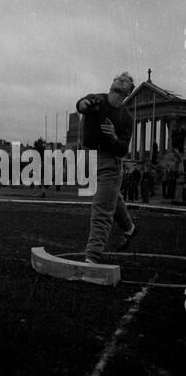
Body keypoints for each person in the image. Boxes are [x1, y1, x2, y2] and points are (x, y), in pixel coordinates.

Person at [76, 72, 136, 262]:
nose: (122, 79)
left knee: (102, 207)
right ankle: (129, 228)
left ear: (128, 91)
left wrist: (114, 137)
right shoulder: (97, 100)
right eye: (119, 78)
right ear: (112, 83)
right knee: (112, 198)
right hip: (89, 158)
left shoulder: (126, 118)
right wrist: (84, 105)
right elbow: (81, 104)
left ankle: (92, 256)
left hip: (110, 162)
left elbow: (123, 150)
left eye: (126, 80)